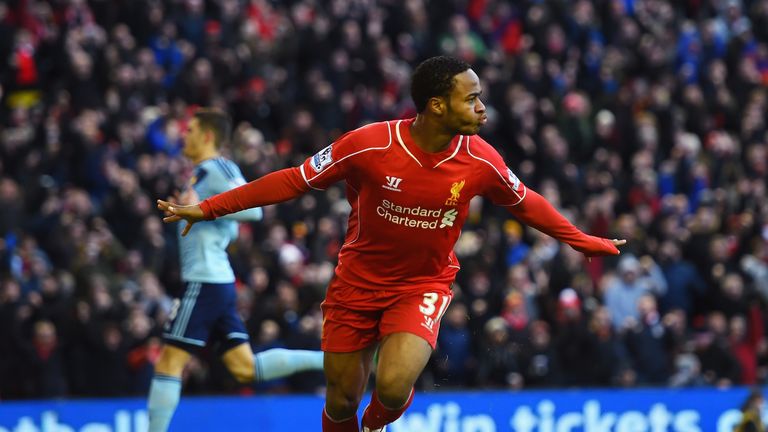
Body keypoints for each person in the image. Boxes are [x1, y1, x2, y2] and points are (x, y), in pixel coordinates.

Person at [157, 57, 625, 432]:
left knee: (396, 385)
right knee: (341, 400)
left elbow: (527, 203)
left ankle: (377, 426)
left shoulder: (481, 159)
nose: (483, 108)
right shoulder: (368, 145)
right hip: (356, 284)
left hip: (423, 284)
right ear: (437, 106)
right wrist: (210, 207)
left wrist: (581, 241)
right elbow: (294, 180)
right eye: (473, 99)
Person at [148, 108, 324, 432]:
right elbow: (226, 222)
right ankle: (331, 359)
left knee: (169, 361)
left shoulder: (218, 167)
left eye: (190, 131)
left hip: (204, 279)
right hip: (216, 280)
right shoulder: (198, 173)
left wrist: (203, 210)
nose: (183, 136)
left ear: (207, 136)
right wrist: (195, 210)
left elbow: (254, 210)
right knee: (245, 368)